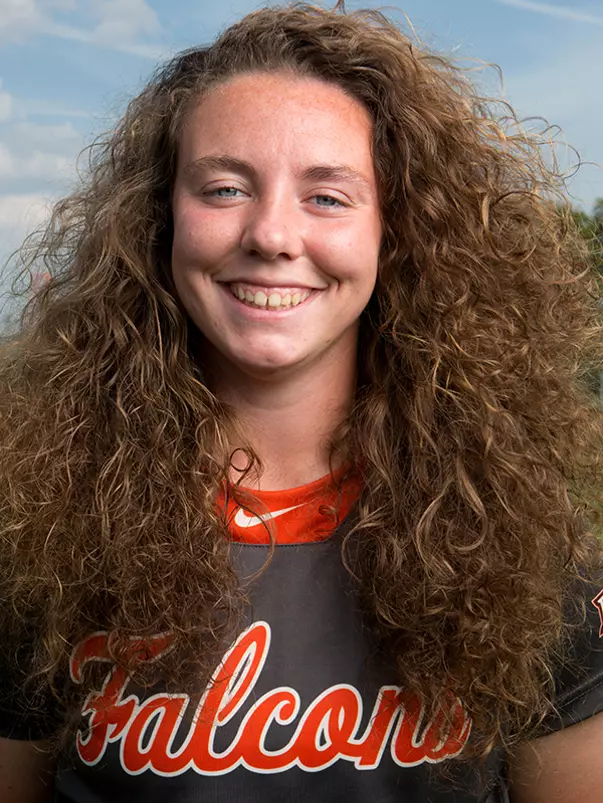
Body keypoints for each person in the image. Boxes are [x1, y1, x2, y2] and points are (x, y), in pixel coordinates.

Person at [1, 3, 602, 801]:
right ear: (157, 223)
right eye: (223, 187)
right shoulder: (33, 527)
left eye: (327, 196)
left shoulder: (523, 531)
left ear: (398, 233)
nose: (272, 233)